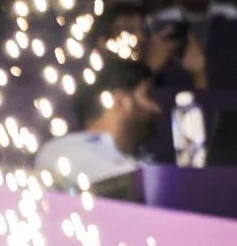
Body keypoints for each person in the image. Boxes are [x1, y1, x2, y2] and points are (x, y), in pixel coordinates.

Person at [36, 54, 160, 195]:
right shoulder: (62, 152)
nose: (156, 108)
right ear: (120, 102)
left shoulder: (136, 163)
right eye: (147, 95)